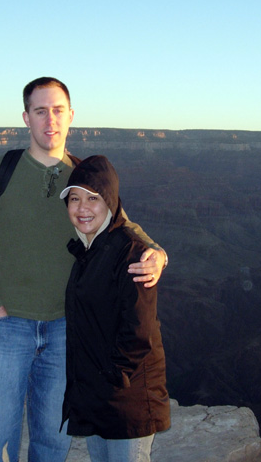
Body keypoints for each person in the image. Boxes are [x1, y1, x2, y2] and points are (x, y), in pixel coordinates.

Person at [0, 77, 168, 462]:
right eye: (40, 111)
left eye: (57, 110)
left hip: (66, 330)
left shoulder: (84, 176)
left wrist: (156, 251)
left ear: (71, 116)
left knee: (53, 441)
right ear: (26, 118)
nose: (49, 120)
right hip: (8, 326)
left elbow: (121, 224)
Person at [60, 155, 170, 462]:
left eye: (92, 198)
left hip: (125, 401)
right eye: (74, 198)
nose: (82, 208)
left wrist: (112, 380)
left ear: (110, 202)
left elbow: (140, 333)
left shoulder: (132, 253)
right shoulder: (90, 249)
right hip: (100, 396)